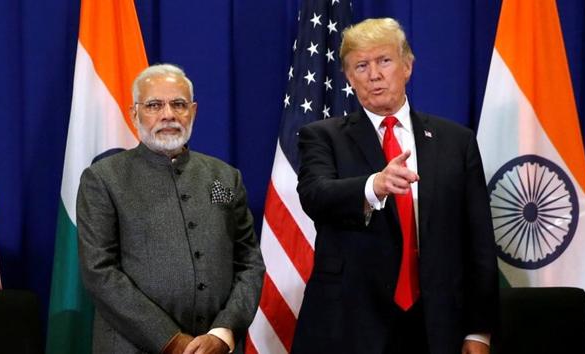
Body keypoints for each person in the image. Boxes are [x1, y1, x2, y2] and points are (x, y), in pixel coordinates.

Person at [291, 18, 498, 354]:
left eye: (384, 61)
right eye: (361, 65)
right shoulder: (322, 137)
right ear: (349, 78)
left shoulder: (455, 142)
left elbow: (479, 243)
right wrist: (375, 185)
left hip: (436, 325)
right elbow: (315, 195)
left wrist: (479, 332)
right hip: (348, 326)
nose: (374, 74)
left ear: (407, 66)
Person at [77, 63, 265, 354]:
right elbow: (99, 272)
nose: (168, 115)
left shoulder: (225, 176)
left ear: (193, 111)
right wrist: (171, 340)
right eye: (154, 105)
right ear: (134, 113)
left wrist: (223, 332)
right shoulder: (104, 179)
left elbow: (249, 262)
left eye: (178, 104)